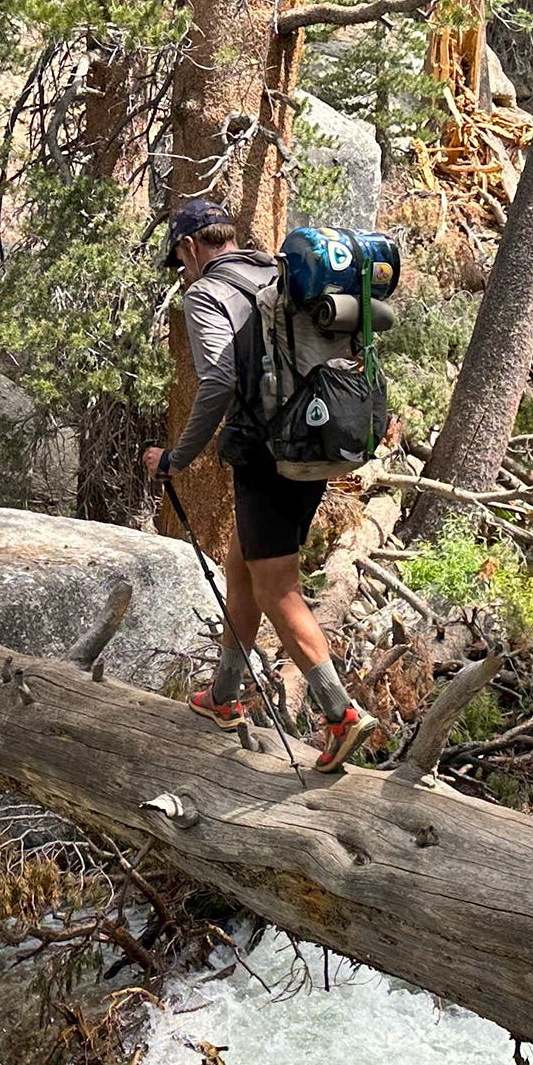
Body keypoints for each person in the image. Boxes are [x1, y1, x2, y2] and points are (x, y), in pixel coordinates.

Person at [144, 198, 381, 773]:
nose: (183, 273)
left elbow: (220, 378)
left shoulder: (204, 295)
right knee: (241, 565)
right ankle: (224, 696)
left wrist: (178, 457)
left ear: (188, 248)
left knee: (276, 586)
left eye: (180, 262)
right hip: (316, 444)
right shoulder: (280, 271)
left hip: (268, 457)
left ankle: (340, 713)